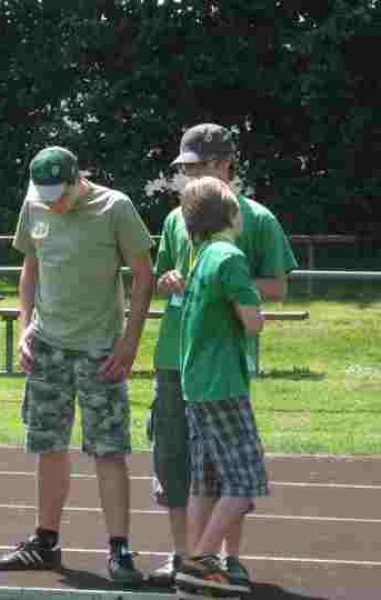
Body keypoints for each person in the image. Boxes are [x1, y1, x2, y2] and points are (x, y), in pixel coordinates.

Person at [0, 146, 155, 585]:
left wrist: (130, 342)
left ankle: (119, 549)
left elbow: (144, 275)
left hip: (101, 350)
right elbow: (30, 269)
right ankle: (45, 542)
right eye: (43, 196)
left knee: (109, 449)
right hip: (47, 347)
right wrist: (25, 327)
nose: (50, 204)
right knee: (48, 444)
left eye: (57, 196)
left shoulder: (115, 206)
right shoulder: (34, 203)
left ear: (77, 180)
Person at [147, 123, 297, 588]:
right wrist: (172, 280)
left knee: (226, 469)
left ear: (222, 164)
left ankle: (225, 559)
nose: (184, 176)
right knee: (190, 465)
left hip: (220, 361)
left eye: (193, 167)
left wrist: (224, 289)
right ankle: (189, 557)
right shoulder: (179, 217)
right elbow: (161, 278)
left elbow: (277, 285)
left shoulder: (254, 218)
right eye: (182, 167)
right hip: (180, 356)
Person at [172, 176, 267, 597]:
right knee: (245, 480)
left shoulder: (202, 254)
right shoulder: (229, 256)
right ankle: (200, 561)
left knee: (206, 481)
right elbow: (253, 321)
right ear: (231, 214)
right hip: (222, 383)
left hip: (197, 383)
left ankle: (199, 564)